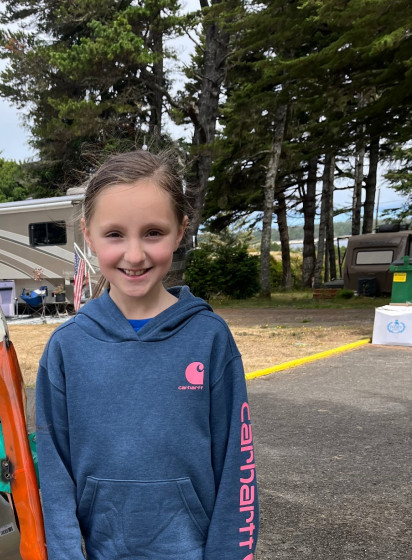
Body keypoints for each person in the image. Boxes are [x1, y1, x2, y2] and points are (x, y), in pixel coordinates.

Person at [35, 150, 258, 560]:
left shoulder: (209, 338)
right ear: (88, 234)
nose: (135, 255)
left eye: (153, 232)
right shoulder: (67, 347)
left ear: (180, 231)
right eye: (114, 234)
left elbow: (237, 468)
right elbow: (53, 472)